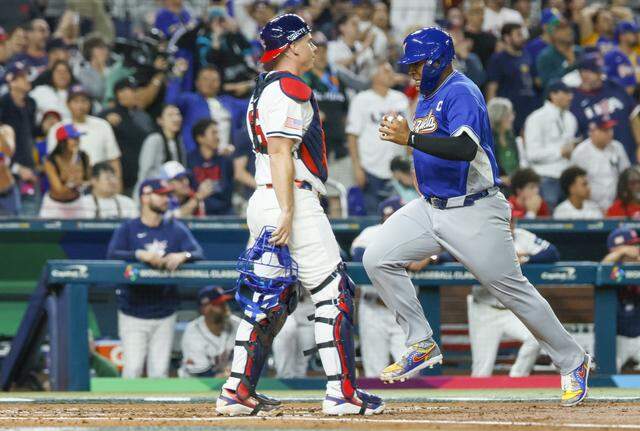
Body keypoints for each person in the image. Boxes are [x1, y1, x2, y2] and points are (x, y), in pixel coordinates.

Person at [366, 27, 589, 406]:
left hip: (474, 208)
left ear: (439, 59)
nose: (412, 72)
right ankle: (420, 342)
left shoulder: (461, 91)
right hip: (431, 206)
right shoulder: (427, 94)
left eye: (418, 64)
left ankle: (574, 360)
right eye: (410, 65)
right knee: (377, 258)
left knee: (513, 292)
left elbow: (465, 148)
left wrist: (410, 140)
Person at [216, 14, 384, 417]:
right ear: (291, 46)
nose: (314, 48)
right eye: (308, 41)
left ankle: (236, 391)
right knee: (334, 292)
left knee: (268, 300)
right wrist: (289, 210)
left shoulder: (264, 88)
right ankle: (341, 394)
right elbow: (279, 150)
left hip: (267, 197)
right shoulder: (289, 86)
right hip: (289, 198)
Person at [106, 178, 204, 378]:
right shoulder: (128, 229)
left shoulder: (174, 228)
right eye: (160, 195)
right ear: (144, 197)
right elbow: (112, 255)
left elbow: (197, 252)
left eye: (167, 194)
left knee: (159, 373)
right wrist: (139, 255)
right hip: (133, 311)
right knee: (132, 370)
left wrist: (182, 256)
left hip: (164, 311)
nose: (165, 199)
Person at [466, 210, 559, 377]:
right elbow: (448, 256)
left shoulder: (521, 236)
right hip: (484, 309)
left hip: (511, 310)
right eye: (503, 220)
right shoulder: (478, 238)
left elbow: (552, 252)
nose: (509, 224)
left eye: (511, 220)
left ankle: (516, 379)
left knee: (536, 338)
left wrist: (527, 259)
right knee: (481, 372)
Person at [351, 197, 418, 377]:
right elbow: (358, 255)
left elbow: (439, 255)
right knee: (374, 370)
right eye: (389, 216)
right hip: (374, 308)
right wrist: (403, 259)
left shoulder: (416, 234)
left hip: (403, 309)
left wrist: (424, 258)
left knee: (411, 371)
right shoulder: (371, 232)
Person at [346, 62, 408, 214]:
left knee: (399, 218)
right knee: (373, 220)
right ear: (374, 76)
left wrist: (410, 165)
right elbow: (352, 135)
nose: (391, 74)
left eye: (391, 70)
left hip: (398, 170)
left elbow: (408, 132)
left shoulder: (401, 98)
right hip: (371, 169)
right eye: (386, 71)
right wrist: (357, 167)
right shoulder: (361, 99)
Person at [570, 54, 640, 164]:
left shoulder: (614, 86)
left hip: (629, 153)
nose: (601, 75)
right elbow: (576, 138)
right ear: (583, 74)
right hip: (597, 161)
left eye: (600, 71)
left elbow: (633, 116)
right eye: (596, 72)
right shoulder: (574, 100)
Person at [47, 85, 122, 184]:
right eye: (75, 101)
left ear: (90, 103)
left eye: (84, 101)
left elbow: (113, 159)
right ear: (67, 104)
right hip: (70, 185)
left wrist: (117, 185)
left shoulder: (102, 125)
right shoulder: (58, 128)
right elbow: (54, 162)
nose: (80, 105)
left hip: (101, 183)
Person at [523, 80, 578, 209]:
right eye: (566, 93)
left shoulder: (571, 118)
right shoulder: (536, 118)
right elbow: (532, 154)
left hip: (567, 179)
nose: (570, 97)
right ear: (553, 95)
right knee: (549, 221)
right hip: (546, 178)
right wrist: (560, 152)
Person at [166, 64, 243, 154]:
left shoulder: (228, 101)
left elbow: (252, 104)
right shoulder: (190, 100)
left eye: (214, 80)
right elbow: (170, 102)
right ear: (197, 83)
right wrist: (177, 76)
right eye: (205, 79)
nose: (210, 83)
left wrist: (251, 85)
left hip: (226, 156)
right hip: (197, 157)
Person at [101, 77, 155, 196]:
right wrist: (106, 122)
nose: (136, 94)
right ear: (120, 94)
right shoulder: (107, 115)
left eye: (136, 90)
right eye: (132, 91)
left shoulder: (143, 117)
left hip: (142, 176)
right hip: (119, 179)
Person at [486, 23, 540, 134]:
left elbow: (536, 81)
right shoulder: (498, 59)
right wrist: (491, 115)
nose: (522, 38)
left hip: (530, 107)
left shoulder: (527, 55)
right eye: (518, 35)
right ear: (507, 38)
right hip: (510, 111)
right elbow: (492, 88)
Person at [178, 286, 240, 377]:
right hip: (196, 384)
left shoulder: (238, 325)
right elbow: (199, 373)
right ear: (204, 309)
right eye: (218, 304)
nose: (224, 307)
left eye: (224, 302)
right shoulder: (193, 332)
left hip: (231, 382)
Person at [570, 118, 630, 212]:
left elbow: (626, 175)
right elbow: (576, 184)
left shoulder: (617, 147)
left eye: (610, 129)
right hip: (589, 207)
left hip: (616, 206)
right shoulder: (580, 152)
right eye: (604, 130)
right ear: (592, 132)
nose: (609, 133)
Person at [601, 227, 640, 372]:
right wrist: (621, 252)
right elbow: (604, 267)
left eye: (637, 245)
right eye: (632, 245)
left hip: (639, 339)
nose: (636, 249)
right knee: (605, 370)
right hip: (616, 340)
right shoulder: (616, 271)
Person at [39, 124, 90, 218]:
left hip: (76, 203)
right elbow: (59, 190)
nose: (77, 141)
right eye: (73, 138)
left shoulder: (83, 157)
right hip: (54, 205)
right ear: (62, 142)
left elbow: (87, 179)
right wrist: (73, 181)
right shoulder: (50, 161)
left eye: (78, 138)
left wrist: (80, 182)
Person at [136, 104, 187, 193]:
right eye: (170, 115)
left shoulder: (179, 141)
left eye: (178, 114)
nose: (176, 118)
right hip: (153, 191)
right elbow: (146, 172)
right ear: (160, 120)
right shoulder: (154, 139)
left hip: (173, 192)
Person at [187, 119, 234, 215]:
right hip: (197, 213)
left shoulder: (225, 160)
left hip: (225, 213)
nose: (218, 137)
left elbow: (227, 187)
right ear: (200, 138)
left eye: (218, 133)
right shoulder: (189, 160)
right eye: (213, 133)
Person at [328, 14, 376, 80]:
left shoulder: (365, 48)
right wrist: (363, 49)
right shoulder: (332, 46)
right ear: (342, 27)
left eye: (358, 25)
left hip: (364, 87)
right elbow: (335, 67)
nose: (358, 28)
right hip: (341, 87)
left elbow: (372, 71)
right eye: (354, 24)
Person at [536, 20, 582, 90]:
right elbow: (547, 83)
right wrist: (569, 66)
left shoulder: (579, 51)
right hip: (557, 97)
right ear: (554, 34)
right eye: (563, 29)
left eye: (569, 27)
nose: (569, 31)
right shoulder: (546, 56)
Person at [487, 97, 518, 186]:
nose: (512, 118)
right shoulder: (487, 140)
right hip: (496, 187)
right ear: (498, 117)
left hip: (514, 184)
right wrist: (499, 179)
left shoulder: (511, 137)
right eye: (508, 115)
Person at [0, 122, 18, 215]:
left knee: (15, 227)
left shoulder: (6, 130)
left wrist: (1, 134)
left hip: (7, 192)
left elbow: (10, 151)